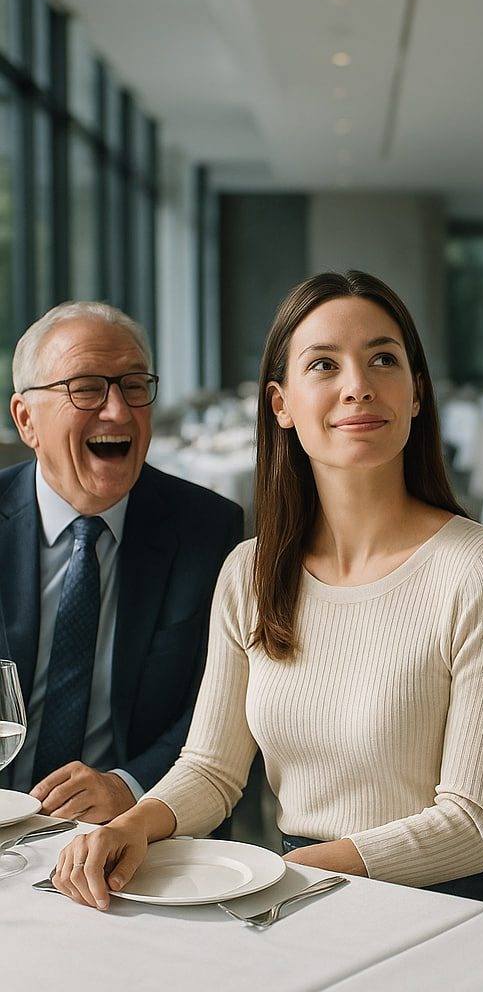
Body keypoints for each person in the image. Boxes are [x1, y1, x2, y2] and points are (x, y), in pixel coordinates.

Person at [53, 271, 483, 911]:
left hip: (443, 906)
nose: (358, 386)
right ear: (281, 405)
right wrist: (132, 826)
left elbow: (471, 827)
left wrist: (292, 874)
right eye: (324, 364)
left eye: (383, 360)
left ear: (417, 394)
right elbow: (212, 769)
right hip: (302, 894)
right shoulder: (249, 574)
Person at [0, 302, 243, 822]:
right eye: (86, 388)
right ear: (26, 419)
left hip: (138, 836)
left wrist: (128, 788)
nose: (118, 411)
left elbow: (219, 710)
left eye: (134, 386)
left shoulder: (208, 529)